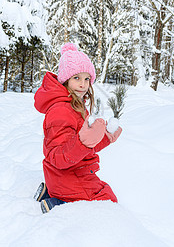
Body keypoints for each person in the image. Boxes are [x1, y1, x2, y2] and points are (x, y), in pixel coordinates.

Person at [34, 42, 122, 214]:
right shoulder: (60, 110)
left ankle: (51, 193)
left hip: (72, 172)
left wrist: (106, 137)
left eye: (87, 78)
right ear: (65, 79)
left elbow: (84, 149)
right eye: (76, 78)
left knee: (104, 191)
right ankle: (58, 205)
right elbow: (58, 157)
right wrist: (83, 141)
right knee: (107, 201)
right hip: (65, 176)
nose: (83, 84)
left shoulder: (75, 105)